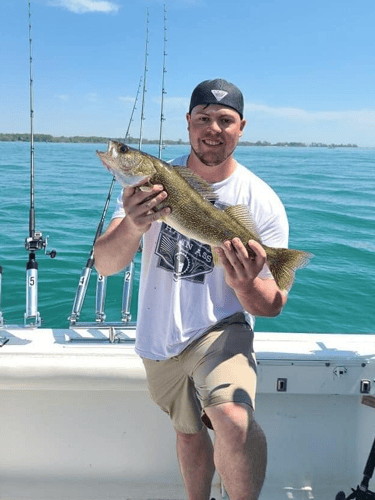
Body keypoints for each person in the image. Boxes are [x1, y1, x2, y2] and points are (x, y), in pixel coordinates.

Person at [94, 78, 289, 500]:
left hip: (221, 331)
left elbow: (272, 304)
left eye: (225, 119)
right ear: (188, 122)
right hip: (159, 337)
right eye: (204, 118)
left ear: (241, 127)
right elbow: (106, 265)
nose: (213, 128)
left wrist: (245, 283)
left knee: (233, 422)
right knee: (187, 435)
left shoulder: (261, 200)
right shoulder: (144, 190)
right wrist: (132, 223)